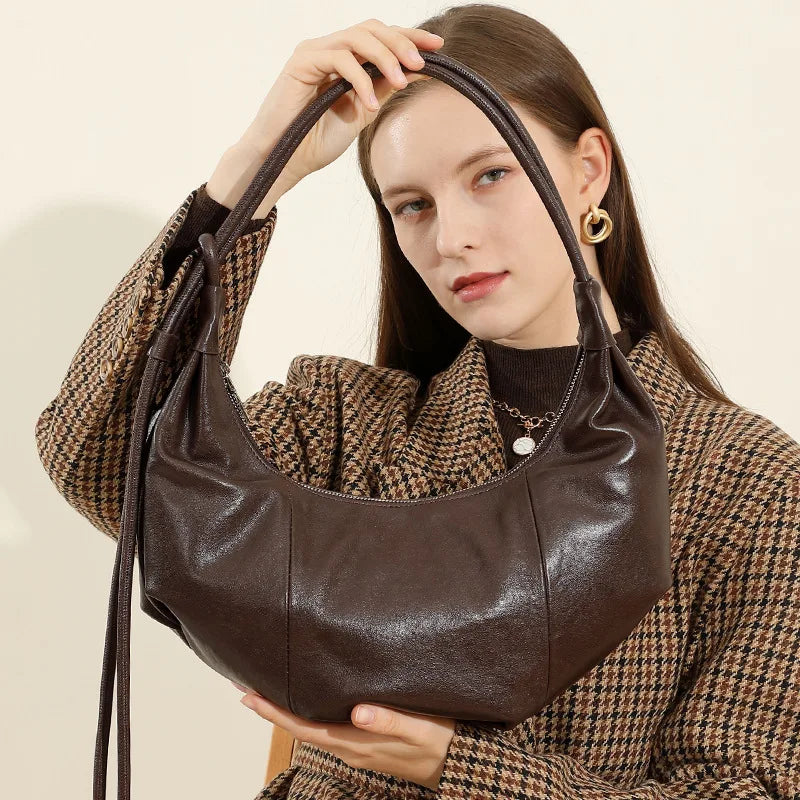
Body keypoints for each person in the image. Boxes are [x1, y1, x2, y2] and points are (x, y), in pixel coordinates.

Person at [34, 5, 800, 799]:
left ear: (588, 171)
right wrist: (255, 169)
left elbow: (749, 788)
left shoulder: (751, 485)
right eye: (412, 205)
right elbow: (105, 461)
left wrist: (454, 766)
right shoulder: (342, 420)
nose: (451, 237)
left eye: (491, 175)